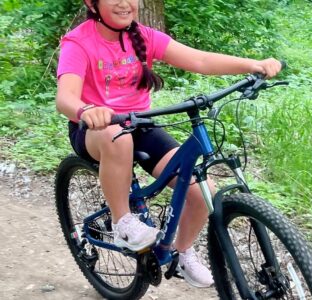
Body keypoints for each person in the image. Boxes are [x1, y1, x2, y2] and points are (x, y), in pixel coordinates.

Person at [55, 0, 282, 288]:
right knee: (117, 136)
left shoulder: (144, 37)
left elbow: (199, 60)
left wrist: (251, 64)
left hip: (140, 124)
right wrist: (85, 110)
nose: (125, 3)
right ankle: (122, 220)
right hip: (93, 128)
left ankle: (181, 252)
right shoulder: (79, 42)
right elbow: (65, 97)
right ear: (92, 3)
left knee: (204, 191)